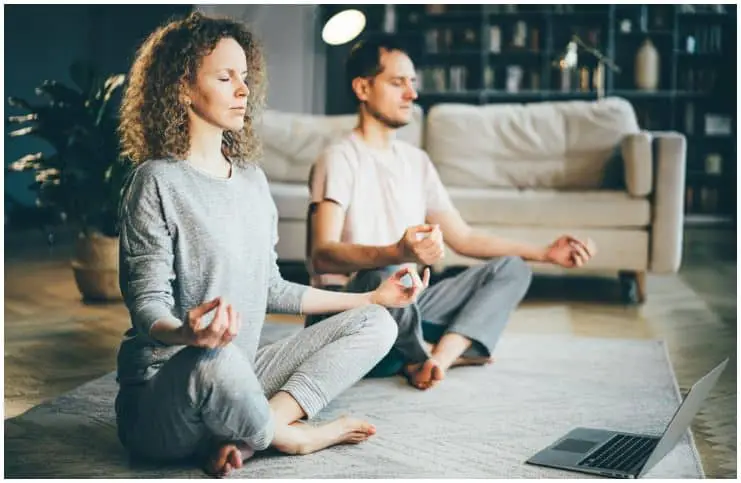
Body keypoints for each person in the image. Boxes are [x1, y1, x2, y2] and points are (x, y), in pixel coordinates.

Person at [114, 14, 430, 478]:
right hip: (167, 394)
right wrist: (190, 335)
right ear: (182, 88)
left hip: (241, 374)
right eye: (225, 78)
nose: (243, 89)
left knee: (376, 324)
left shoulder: (251, 181)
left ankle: (245, 433)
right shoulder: (156, 181)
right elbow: (147, 305)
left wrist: (372, 297)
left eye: (245, 76)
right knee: (215, 362)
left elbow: (273, 287)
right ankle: (293, 436)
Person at [306, 34, 596, 391]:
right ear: (363, 88)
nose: (411, 94)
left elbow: (464, 238)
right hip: (351, 309)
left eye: (412, 83)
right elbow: (322, 255)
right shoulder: (339, 158)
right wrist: (398, 252)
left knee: (512, 268)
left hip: (407, 303)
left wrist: (545, 253)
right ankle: (420, 354)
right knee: (386, 271)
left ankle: (436, 360)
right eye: (398, 83)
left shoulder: (416, 162)